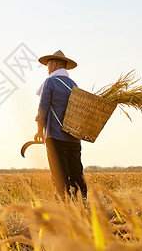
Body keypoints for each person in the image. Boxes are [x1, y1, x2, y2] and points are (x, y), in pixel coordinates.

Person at [34, 50, 87, 200]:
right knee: (77, 172)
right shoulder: (73, 85)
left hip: (55, 135)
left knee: (59, 174)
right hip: (73, 137)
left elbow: (43, 108)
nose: (47, 68)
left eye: (48, 65)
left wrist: (39, 131)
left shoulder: (50, 82)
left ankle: (64, 209)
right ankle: (82, 205)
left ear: (55, 65)